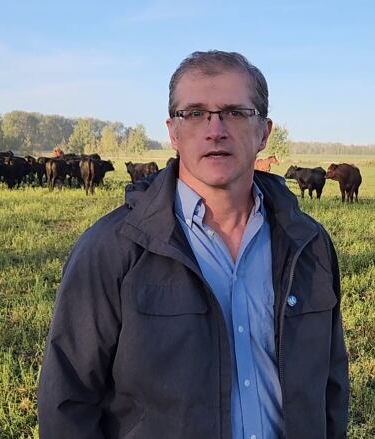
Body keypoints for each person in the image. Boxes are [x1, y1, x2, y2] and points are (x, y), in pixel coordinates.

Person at [38, 50, 349, 439]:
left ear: (264, 132)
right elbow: (68, 401)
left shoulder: (309, 245)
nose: (215, 129)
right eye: (195, 113)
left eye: (235, 112)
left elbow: (331, 387)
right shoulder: (111, 249)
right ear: (173, 132)